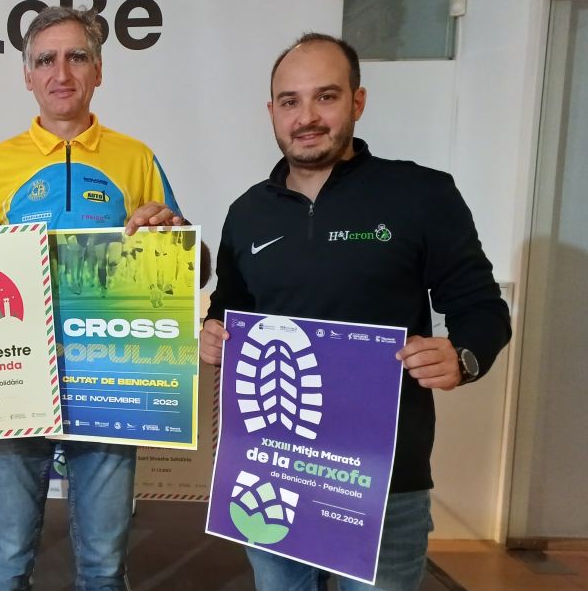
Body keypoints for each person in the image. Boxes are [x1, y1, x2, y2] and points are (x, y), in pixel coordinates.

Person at [200, 32, 512, 590]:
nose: (306, 117)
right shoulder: (247, 213)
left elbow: (482, 308)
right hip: (271, 470)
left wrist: (463, 357)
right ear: (272, 112)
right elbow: (231, 310)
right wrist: (212, 334)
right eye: (290, 101)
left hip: (383, 479)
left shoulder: (421, 194)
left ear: (357, 101)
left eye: (326, 96)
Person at [0, 6, 208, 591]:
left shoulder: (135, 157)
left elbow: (191, 269)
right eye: (45, 60)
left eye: (77, 57)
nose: (61, 73)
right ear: (27, 75)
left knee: (104, 563)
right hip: (13, 378)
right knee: (6, 559)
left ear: (98, 71)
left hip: (108, 376)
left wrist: (177, 234)